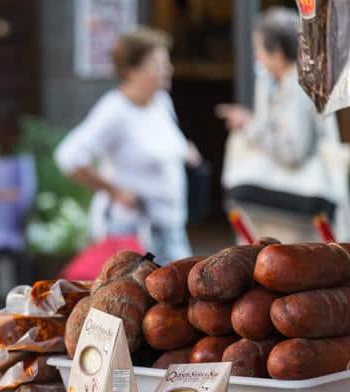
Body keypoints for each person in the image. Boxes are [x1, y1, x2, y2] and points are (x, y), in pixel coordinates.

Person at [54, 27, 199, 265]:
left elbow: (163, 143)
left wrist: (185, 151)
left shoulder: (161, 102)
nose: (168, 69)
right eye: (158, 64)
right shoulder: (115, 110)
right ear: (132, 71)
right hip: (134, 231)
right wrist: (115, 191)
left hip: (171, 225)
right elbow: (69, 156)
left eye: (167, 62)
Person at [216, 7, 341, 243]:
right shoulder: (290, 82)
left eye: (259, 49)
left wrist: (249, 126)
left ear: (278, 52)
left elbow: (292, 152)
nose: (257, 58)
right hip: (297, 223)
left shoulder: (296, 88)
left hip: (301, 219)